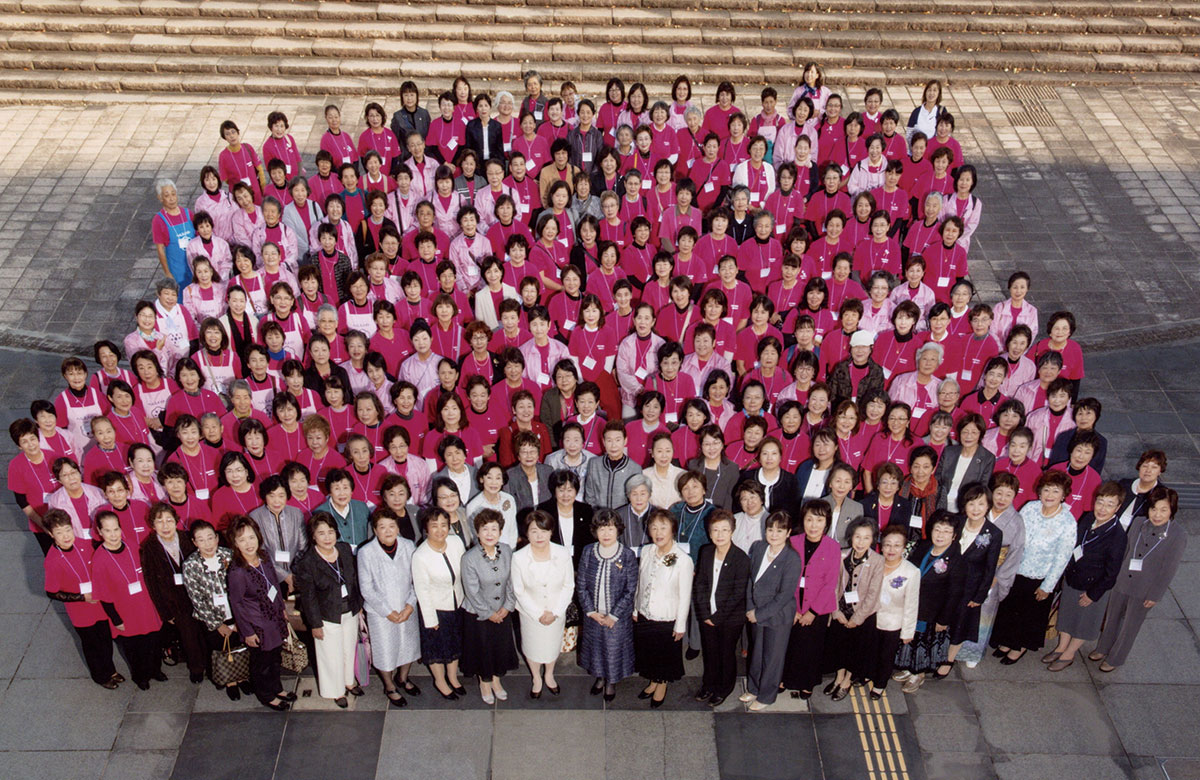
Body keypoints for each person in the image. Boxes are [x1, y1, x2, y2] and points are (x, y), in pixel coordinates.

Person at [1093, 486, 1187, 672]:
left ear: (1172, 510)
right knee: (1112, 617)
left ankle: (1116, 658)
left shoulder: (1178, 535)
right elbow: (1126, 550)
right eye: (1154, 509)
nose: (1157, 515)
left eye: (1163, 510)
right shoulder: (1138, 522)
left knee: (1130, 626)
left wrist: (1155, 594)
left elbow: (1169, 569)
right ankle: (1103, 648)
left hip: (1145, 588)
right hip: (1122, 580)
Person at [990, 470, 1076, 664]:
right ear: (1039, 491)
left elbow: (1062, 558)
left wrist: (1048, 586)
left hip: (1039, 577)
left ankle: (1018, 647)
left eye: (1055, 491)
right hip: (1016, 569)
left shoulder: (1067, 522)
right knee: (1010, 609)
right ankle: (1006, 640)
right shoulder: (1030, 507)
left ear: (1063, 495)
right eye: (1046, 490)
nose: (1050, 495)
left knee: (1028, 616)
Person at [1044, 481, 1126, 672]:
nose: (1102, 509)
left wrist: (1093, 594)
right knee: (1066, 615)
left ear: (1118, 507)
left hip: (1093, 587)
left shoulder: (1117, 536)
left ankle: (1069, 654)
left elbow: (1111, 573)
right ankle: (1061, 647)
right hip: (1073, 578)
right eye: (1100, 502)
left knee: (1083, 622)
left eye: (1109, 504)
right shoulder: (1088, 518)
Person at [293, 511, 364, 707]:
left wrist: (357, 605)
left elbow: (353, 580)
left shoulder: (344, 549)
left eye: (331, 531)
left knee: (348, 649)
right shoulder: (307, 562)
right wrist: (315, 624)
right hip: (326, 616)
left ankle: (349, 681)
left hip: (349, 609)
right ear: (313, 535)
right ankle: (335, 690)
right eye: (321, 533)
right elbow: (308, 598)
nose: (327, 537)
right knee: (330, 655)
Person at [42, 510, 120, 689]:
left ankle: (111, 670)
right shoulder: (52, 560)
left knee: (105, 638)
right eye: (59, 532)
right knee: (92, 644)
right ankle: (100, 676)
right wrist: (81, 597)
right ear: (51, 534)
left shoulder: (85, 544)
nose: (66, 536)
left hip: (99, 603)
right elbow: (51, 592)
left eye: (68, 529)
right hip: (81, 611)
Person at [90, 510, 165, 690]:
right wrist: (116, 619)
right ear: (100, 532)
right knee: (135, 648)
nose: (113, 535)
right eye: (107, 531)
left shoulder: (132, 546)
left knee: (154, 641)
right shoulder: (100, 559)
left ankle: (156, 669)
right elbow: (103, 595)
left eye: (116, 529)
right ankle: (141, 676)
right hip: (125, 612)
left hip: (146, 607)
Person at [226, 516, 295, 710]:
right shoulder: (237, 571)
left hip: (274, 618)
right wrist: (247, 632)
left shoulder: (263, 556)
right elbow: (237, 603)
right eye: (242, 540)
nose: (248, 543)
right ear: (235, 543)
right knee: (262, 663)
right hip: (258, 624)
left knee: (275, 657)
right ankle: (266, 695)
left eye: (251, 537)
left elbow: (274, 582)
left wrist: (282, 609)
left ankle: (277, 688)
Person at [892, 511, 964, 693]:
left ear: (954, 536)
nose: (940, 535)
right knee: (910, 639)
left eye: (946, 531)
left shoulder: (957, 560)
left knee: (924, 643)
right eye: (937, 529)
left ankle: (919, 674)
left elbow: (955, 594)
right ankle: (908, 668)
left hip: (933, 613)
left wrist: (944, 620)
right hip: (913, 605)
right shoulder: (923, 546)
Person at [181, 520, 251, 700]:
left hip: (237, 614)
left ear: (217, 538)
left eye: (210, 538)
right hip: (213, 619)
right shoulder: (191, 565)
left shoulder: (229, 555)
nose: (207, 544)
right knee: (222, 650)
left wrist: (238, 619)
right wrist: (218, 624)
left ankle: (243, 677)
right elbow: (196, 599)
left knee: (240, 645)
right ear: (195, 542)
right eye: (201, 540)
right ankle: (230, 681)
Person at [633, 508, 695, 708]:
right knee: (649, 652)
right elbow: (640, 582)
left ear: (672, 530)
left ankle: (662, 684)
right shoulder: (647, 550)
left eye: (663, 528)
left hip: (667, 616)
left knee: (664, 654)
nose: (658, 533)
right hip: (645, 612)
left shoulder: (683, 560)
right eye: (654, 528)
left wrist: (680, 625)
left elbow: (685, 595)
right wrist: (636, 609)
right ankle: (653, 680)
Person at [741, 510, 802, 711]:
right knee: (756, 653)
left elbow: (784, 595)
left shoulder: (792, 558)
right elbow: (750, 579)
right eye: (770, 529)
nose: (774, 534)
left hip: (778, 615)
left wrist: (758, 614)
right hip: (756, 611)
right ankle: (754, 687)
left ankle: (766, 696)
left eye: (779, 530)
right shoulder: (759, 548)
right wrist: (750, 607)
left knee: (772, 658)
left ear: (788, 533)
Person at [576, 508, 639, 702]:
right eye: (602, 529)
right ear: (595, 531)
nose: (606, 534)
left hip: (616, 617)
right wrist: (590, 611)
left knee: (613, 649)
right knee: (596, 648)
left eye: (610, 529)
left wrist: (614, 615)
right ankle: (600, 678)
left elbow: (631, 589)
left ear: (618, 530)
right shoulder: (588, 551)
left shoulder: (627, 554)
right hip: (594, 614)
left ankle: (611, 681)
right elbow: (581, 585)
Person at [511, 510, 575, 698]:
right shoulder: (519, 557)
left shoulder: (562, 553)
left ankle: (549, 675)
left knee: (551, 646)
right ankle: (536, 678)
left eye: (543, 531)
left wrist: (555, 611)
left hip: (556, 611)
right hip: (530, 613)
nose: (539, 536)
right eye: (533, 531)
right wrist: (538, 613)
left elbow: (568, 585)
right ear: (526, 533)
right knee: (533, 647)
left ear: (551, 532)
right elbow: (518, 590)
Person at [781, 500, 841, 699]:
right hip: (793, 604)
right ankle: (784, 678)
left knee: (811, 647)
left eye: (819, 520)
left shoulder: (833, 547)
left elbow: (829, 584)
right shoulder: (793, 541)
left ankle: (807, 682)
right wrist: (795, 609)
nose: (813, 525)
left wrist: (811, 612)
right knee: (788, 644)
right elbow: (786, 576)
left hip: (818, 608)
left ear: (827, 523)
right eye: (809, 519)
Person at [140, 503, 206, 682]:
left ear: (176, 521)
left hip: (198, 595)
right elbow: (151, 582)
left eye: (169, 520)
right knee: (188, 637)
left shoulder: (186, 538)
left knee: (205, 632)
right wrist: (164, 612)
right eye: (159, 521)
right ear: (153, 525)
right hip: (175, 602)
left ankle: (212, 663)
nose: (165, 525)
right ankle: (196, 668)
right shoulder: (149, 547)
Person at [459, 508, 520, 704]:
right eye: (485, 529)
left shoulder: (507, 551)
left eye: (494, 529)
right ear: (477, 532)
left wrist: (508, 606)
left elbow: (513, 581)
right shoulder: (469, 558)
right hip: (478, 614)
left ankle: (496, 680)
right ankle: (484, 682)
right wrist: (488, 613)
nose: (490, 534)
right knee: (483, 649)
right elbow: (472, 592)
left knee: (499, 648)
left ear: (500, 532)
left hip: (503, 610)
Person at [691, 509, 750, 707]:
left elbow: (737, 594)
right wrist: (706, 613)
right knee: (710, 651)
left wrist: (716, 617)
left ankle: (724, 688)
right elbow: (700, 584)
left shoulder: (741, 558)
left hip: (730, 617)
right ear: (709, 532)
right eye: (715, 530)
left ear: (732, 531)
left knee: (725, 652)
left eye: (725, 530)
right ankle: (709, 684)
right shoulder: (706, 551)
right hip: (707, 614)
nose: (720, 534)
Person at [943, 484, 1002, 675]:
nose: (975, 509)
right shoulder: (956, 522)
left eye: (981, 504)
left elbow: (990, 569)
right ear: (964, 505)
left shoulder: (993, 533)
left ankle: (949, 659)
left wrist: (979, 596)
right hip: (946, 582)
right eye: (971, 503)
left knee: (960, 624)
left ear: (988, 506)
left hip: (970, 588)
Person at [824, 517, 885, 700]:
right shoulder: (841, 554)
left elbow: (873, 593)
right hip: (841, 611)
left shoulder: (877, 560)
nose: (861, 542)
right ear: (851, 537)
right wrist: (836, 611)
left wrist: (857, 618)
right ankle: (838, 677)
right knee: (839, 646)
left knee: (855, 649)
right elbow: (833, 585)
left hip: (862, 616)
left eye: (866, 538)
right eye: (857, 537)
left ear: (873, 539)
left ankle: (847, 681)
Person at [411, 506, 467, 699]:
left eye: (444, 525)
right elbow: (422, 590)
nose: (440, 530)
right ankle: (440, 681)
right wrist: (430, 619)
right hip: (436, 609)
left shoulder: (455, 542)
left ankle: (453, 677)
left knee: (455, 644)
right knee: (436, 647)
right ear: (426, 528)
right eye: (434, 526)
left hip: (457, 603)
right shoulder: (420, 556)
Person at [866, 524, 919, 699]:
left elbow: (912, 604)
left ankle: (880, 684)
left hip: (893, 622)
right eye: (888, 544)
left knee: (885, 656)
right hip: (870, 618)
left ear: (904, 547)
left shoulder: (911, 572)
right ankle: (867, 674)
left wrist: (908, 631)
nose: (891, 549)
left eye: (897, 545)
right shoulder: (873, 563)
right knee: (869, 650)